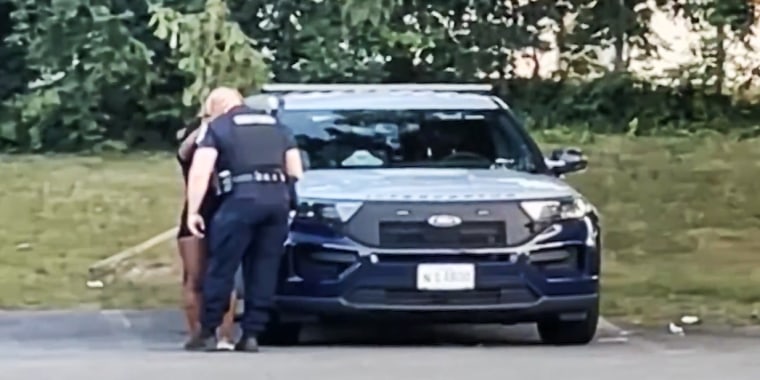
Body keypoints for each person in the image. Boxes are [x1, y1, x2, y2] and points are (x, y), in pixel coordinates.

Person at [184, 87, 303, 352]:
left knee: (223, 266)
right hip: (277, 201)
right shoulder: (278, 126)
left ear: (217, 107)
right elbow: (295, 170)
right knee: (264, 268)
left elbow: (200, 171)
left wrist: (194, 211)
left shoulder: (220, 127)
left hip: (240, 200)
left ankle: (206, 331)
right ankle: (251, 335)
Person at [176, 111, 238, 351]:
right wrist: (206, 127)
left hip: (227, 210)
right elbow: (183, 151)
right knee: (195, 277)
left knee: (225, 275)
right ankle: (197, 334)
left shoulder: (232, 143)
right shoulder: (195, 146)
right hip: (199, 209)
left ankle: (224, 335)